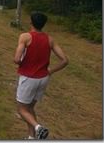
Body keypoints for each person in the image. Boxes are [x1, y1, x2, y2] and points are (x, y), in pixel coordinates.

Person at [14, 12, 68, 140]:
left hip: (28, 78)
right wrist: (50, 71)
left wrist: (21, 61)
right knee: (30, 108)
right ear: (43, 24)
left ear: (31, 22)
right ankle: (31, 137)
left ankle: (39, 128)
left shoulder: (25, 37)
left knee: (22, 110)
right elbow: (65, 60)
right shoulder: (49, 39)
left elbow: (16, 59)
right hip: (43, 78)